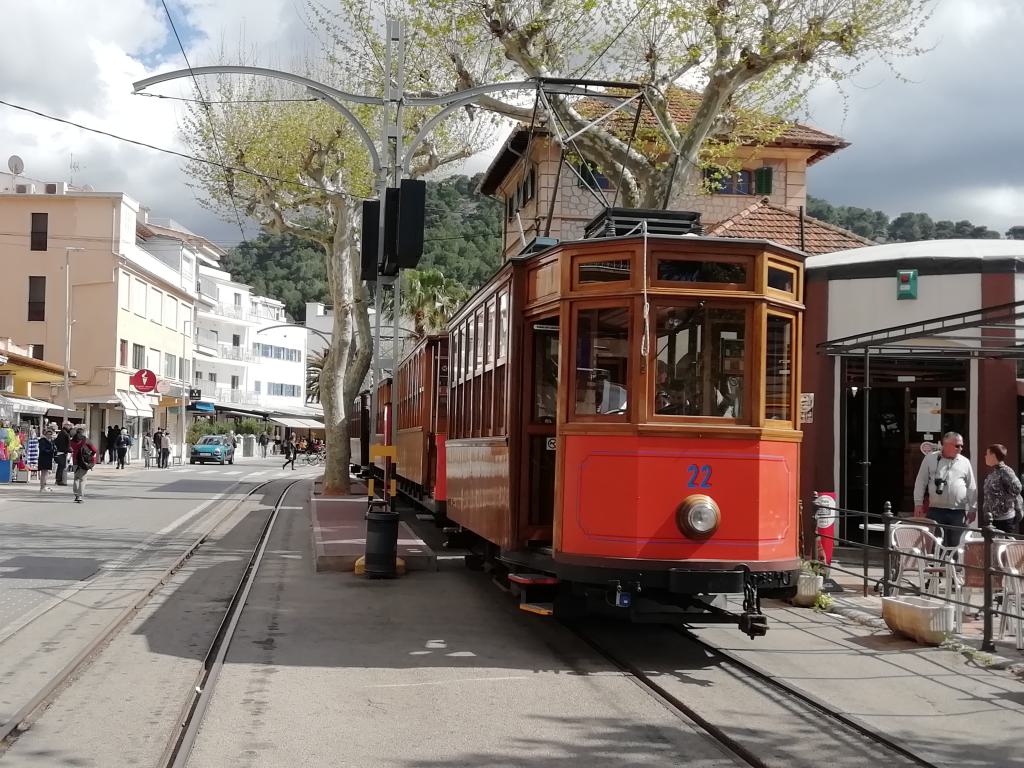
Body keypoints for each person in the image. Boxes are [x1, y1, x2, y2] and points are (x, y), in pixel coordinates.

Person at [913, 431, 977, 547]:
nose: (961, 448)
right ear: (946, 445)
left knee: (956, 546)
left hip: (958, 511)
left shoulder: (965, 462)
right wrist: (918, 503)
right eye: (957, 446)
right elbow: (921, 481)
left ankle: (953, 560)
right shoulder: (930, 458)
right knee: (936, 545)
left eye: (962, 445)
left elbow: (971, 486)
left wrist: (972, 508)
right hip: (936, 510)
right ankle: (938, 560)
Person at [982, 444, 1022, 534]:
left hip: (1005, 520)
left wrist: (1005, 504)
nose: (985, 456)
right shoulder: (995, 472)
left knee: (1005, 542)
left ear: (993, 455)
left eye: (987, 454)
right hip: (993, 520)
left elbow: (1017, 488)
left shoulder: (1006, 471)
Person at [70, 428, 97, 503]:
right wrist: (90, 457)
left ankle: (76, 494)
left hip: (75, 461)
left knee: (76, 478)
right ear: (83, 433)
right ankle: (80, 496)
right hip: (84, 462)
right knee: (83, 479)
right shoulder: (86, 440)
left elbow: (69, 449)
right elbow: (94, 450)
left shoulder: (72, 441)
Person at [38, 426, 55, 492]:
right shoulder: (43, 440)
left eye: (51, 434)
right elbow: (42, 449)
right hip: (43, 458)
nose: (50, 435)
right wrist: (50, 451)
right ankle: (42, 487)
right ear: (45, 434)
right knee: (44, 473)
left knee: (46, 473)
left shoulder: (51, 441)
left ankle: (43, 486)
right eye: (48, 434)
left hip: (48, 458)